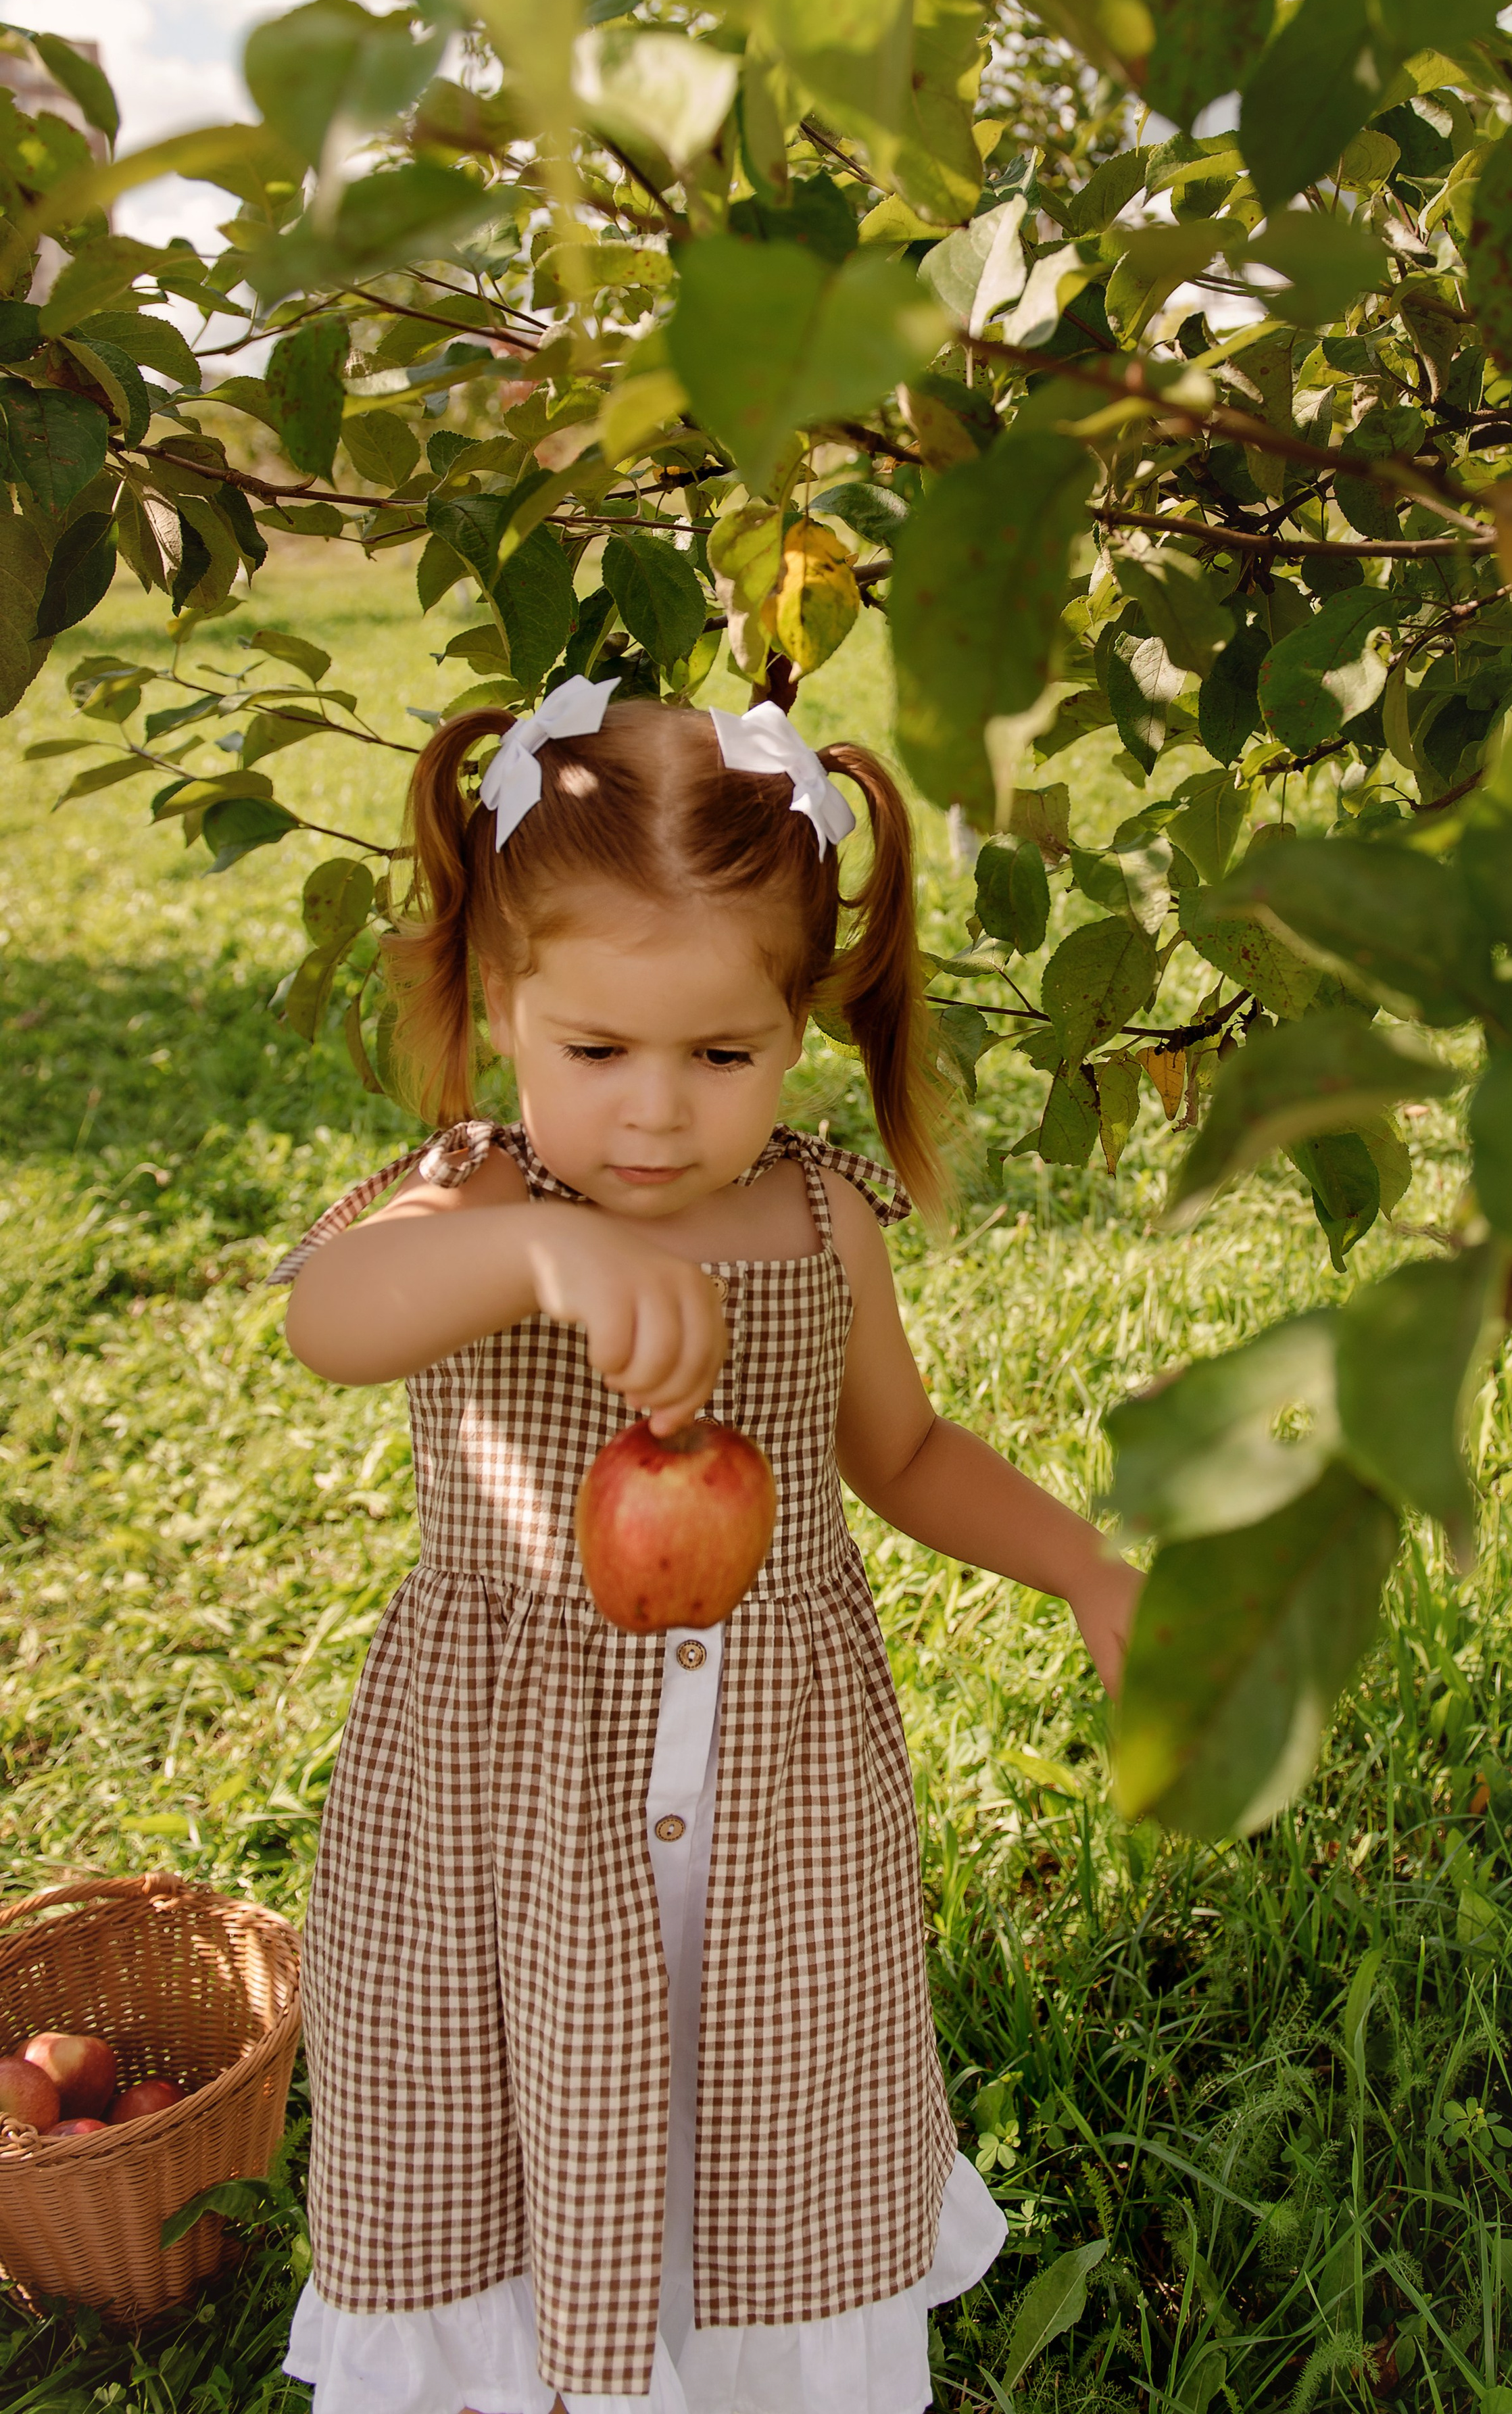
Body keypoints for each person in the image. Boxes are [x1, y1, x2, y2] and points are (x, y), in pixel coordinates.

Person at [272, 678, 1143, 2414]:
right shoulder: (470, 1195)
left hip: (772, 1809)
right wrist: (534, 1256)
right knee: (527, 2108)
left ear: (797, 1032)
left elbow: (896, 1449)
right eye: (595, 1052)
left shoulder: (819, 1212)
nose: (655, 1115)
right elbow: (328, 1314)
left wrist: (1086, 1566)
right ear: (506, 1008)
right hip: (512, 1823)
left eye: (718, 1054)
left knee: (757, 2110)